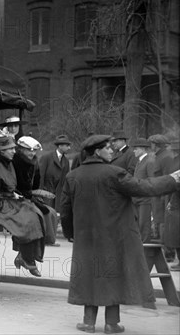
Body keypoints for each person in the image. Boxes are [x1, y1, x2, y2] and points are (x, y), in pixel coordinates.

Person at [60, 134, 180, 334]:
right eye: (107, 148)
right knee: (111, 278)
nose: (111, 150)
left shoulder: (73, 176)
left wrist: (71, 233)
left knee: (90, 276)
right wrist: (173, 179)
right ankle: (111, 323)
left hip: (86, 238)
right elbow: (144, 188)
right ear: (97, 151)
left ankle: (88, 323)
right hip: (113, 237)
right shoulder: (114, 173)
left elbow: (65, 209)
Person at [0, 128, 45, 277]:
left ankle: (25, 256)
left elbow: (10, 185)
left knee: (38, 213)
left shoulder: (7, 162)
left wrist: (15, 194)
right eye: (11, 149)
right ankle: (28, 259)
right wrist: (4, 199)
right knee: (28, 219)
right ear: (2, 151)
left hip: (10, 199)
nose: (14, 152)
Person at [13, 136, 59, 247]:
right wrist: (33, 193)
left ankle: (49, 238)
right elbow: (15, 185)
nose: (32, 153)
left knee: (52, 212)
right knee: (44, 212)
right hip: (17, 196)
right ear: (21, 150)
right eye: (28, 150)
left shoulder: (34, 162)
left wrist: (37, 192)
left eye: (34, 150)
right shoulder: (15, 162)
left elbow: (35, 182)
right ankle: (46, 239)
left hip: (28, 195)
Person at [148, 134, 175, 246]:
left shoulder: (166, 157)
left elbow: (168, 177)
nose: (150, 146)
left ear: (156, 144)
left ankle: (168, 251)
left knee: (164, 221)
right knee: (159, 220)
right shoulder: (158, 156)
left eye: (152, 144)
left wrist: (165, 197)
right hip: (157, 194)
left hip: (164, 195)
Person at [131, 138, 156, 243]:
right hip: (137, 198)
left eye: (135, 149)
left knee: (144, 224)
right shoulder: (139, 161)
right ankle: (141, 246)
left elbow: (152, 180)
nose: (134, 151)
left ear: (142, 149)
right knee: (138, 224)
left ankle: (145, 247)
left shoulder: (149, 161)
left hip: (145, 198)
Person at [39, 134, 71, 212]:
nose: (69, 148)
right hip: (45, 196)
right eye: (67, 146)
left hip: (58, 199)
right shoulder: (46, 158)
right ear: (60, 146)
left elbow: (64, 182)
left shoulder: (66, 162)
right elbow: (40, 177)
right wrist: (39, 194)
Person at [164, 139, 180, 270]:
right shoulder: (175, 161)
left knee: (176, 233)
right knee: (175, 233)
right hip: (175, 198)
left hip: (177, 200)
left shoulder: (177, 162)